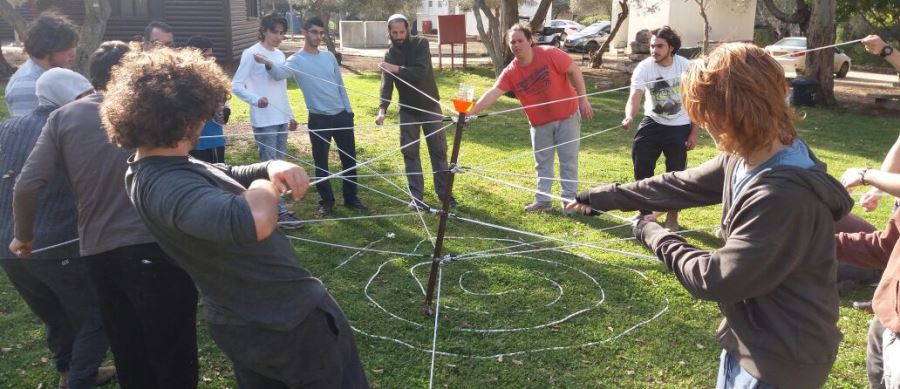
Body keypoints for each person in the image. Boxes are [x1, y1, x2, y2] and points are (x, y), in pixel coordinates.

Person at [567, 43, 852, 388]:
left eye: (708, 116)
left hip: (779, 361)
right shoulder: (749, 152)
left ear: (737, 111)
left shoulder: (782, 194)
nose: (703, 126)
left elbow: (716, 278)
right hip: (745, 339)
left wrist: (651, 232)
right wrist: (603, 197)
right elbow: (679, 185)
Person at [104, 47, 368, 388]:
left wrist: (270, 164)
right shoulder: (165, 186)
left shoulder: (165, 163)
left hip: (255, 320)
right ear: (182, 117)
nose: (210, 119)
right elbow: (255, 220)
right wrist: (263, 184)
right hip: (284, 324)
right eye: (205, 112)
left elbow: (222, 172)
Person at [10, 41, 200, 389]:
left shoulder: (63, 117)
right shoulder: (153, 111)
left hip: (99, 254)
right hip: (157, 245)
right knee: (174, 350)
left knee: (128, 349)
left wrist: (24, 235)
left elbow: (26, 184)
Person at [2, 68, 115, 389]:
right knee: (97, 314)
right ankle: (78, 381)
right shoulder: (71, 126)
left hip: (7, 247)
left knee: (54, 314)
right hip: (57, 241)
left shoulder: (6, 127)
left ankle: (69, 369)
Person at [467, 23, 593, 213]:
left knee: (568, 160)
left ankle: (569, 203)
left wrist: (583, 99)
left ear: (530, 41)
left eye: (520, 41)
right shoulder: (511, 71)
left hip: (567, 115)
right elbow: (494, 92)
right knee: (543, 163)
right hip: (539, 123)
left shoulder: (550, 53)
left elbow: (574, 70)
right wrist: (472, 111)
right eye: (512, 42)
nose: (516, 45)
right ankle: (543, 201)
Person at [255, 17, 368, 215]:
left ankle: (351, 198)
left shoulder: (329, 57)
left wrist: (348, 111)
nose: (318, 36)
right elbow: (279, 74)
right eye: (314, 32)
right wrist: (267, 63)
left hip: (341, 115)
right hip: (319, 118)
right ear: (304, 33)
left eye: (321, 33)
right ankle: (326, 201)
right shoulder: (297, 60)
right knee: (321, 161)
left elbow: (340, 85)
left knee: (349, 159)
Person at [620, 26, 698, 230]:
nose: (654, 50)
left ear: (671, 48)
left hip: (679, 126)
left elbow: (696, 100)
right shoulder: (644, 67)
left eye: (659, 46)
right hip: (652, 122)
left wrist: (694, 131)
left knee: (676, 174)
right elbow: (634, 97)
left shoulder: (686, 67)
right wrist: (629, 116)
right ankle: (645, 212)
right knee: (641, 166)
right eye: (652, 46)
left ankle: (672, 217)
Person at [232, 11, 303, 228]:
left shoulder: (280, 55)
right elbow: (235, 85)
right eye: (275, 32)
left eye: (282, 33)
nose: (278, 36)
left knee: (279, 165)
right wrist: (254, 99)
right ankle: (280, 213)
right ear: (264, 30)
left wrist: (290, 115)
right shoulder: (251, 53)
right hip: (264, 119)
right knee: (270, 167)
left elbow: (281, 89)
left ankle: (276, 209)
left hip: (281, 117)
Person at [375, 13, 454, 210]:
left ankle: (445, 196)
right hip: (408, 110)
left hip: (430, 107)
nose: (399, 35)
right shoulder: (390, 54)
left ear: (408, 29)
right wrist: (382, 109)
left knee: (439, 151)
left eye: (402, 31)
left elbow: (420, 72)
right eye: (395, 32)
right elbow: (387, 84)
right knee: (410, 154)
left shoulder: (421, 44)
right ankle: (417, 199)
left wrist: (396, 68)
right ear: (390, 32)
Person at [836, 207, 900, 389]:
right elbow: (886, 245)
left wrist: (866, 176)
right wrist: (830, 243)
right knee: (877, 377)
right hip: (886, 312)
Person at [5, 12, 78, 117]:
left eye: (74, 46)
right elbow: (28, 130)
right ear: (47, 49)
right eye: (66, 47)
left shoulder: (53, 74)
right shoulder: (28, 85)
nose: (73, 53)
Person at [186, 35, 230, 164]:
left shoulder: (214, 76)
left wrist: (224, 112)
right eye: (205, 56)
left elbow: (224, 102)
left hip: (214, 140)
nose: (209, 60)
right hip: (192, 143)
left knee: (216, 178)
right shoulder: (183, 79)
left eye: (210, 56)